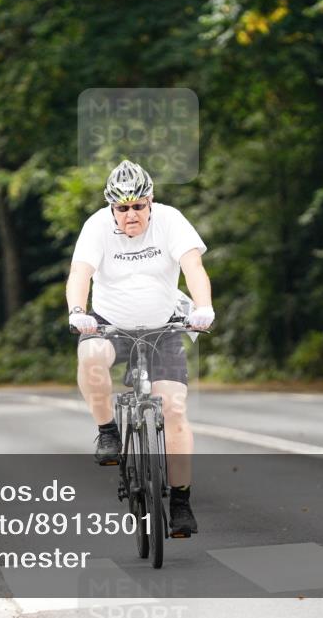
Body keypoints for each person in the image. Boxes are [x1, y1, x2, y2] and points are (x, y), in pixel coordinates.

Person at [67, 159, 215, 537]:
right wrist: (77, 312)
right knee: (90, 355)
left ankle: (180, 502)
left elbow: (193, 267)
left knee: (175, 410)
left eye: (138, 206)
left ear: (150, 201)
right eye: (122, 208)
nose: (130, 215)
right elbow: (80, 274)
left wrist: (203, 308)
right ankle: (107, 431)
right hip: (109, 322)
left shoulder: (170, 220)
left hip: (163, 326)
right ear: (111, 208)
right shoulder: (96, 227)